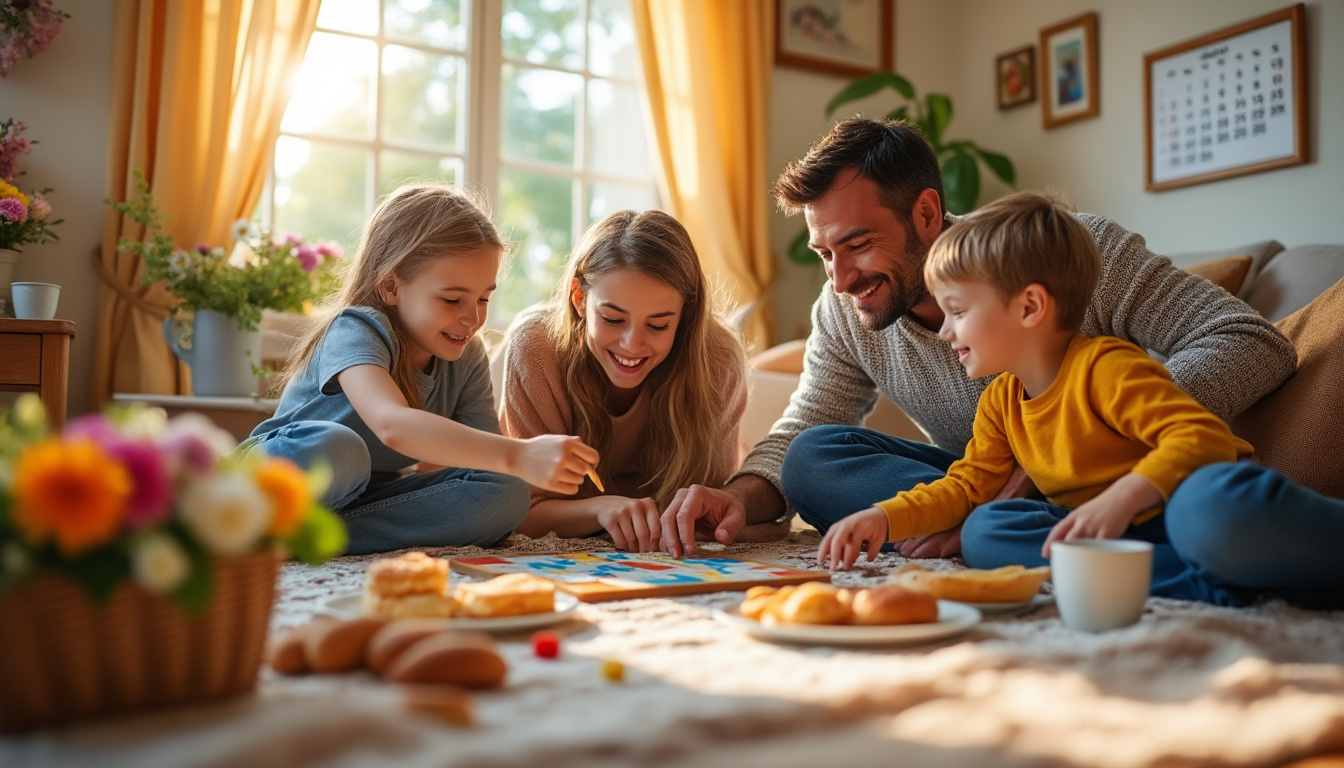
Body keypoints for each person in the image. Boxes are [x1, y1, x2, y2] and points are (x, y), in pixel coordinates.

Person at [658, 116, 1296, 559]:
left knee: (995, 521)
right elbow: (808, 422)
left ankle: (991, 532)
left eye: (858, 244)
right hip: (981, 483)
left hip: (1113, 476)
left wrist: (1074, 437)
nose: (841, 277)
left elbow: (1245, 337)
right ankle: (979, 528)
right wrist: (739, 495)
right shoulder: (844, 306)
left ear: (927, 215)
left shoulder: (1069, 250)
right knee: (811, 461)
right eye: (824, 252)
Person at [818, 192, 1344, 608]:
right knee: (988, 530)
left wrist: (1125, 495)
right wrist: (885, 518)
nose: (945, 330)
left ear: (1029, 307)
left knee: (1210, 511)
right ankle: (1215, 582)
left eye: (957, 311)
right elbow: (966, 487)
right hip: (1117, 533)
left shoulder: (1108, 367)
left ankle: (1262, 560)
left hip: (1177, 502)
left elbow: (1201, 435)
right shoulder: (1001, 400)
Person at [249, 184, 598, 556]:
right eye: (452, 299)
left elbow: (487, 463)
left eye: (484, 298)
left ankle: (314, 539)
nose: (474, 317)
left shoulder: (467, 357)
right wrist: (520, 455)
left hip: (362, 500)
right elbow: (392, 424)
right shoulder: (356, 329)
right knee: (340, 449)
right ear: (390, 286)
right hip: (278, 474)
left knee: (506, 491)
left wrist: (517, 466)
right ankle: (255, 521)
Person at [500, 209, 747, 553]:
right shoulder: (536, 348)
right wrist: (600, 509)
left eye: (658, 325)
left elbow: (708, 504)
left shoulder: (718, 358)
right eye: (613, 318)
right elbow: (519, 512)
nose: (631, 344)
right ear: (580, 298)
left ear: (686, 316)